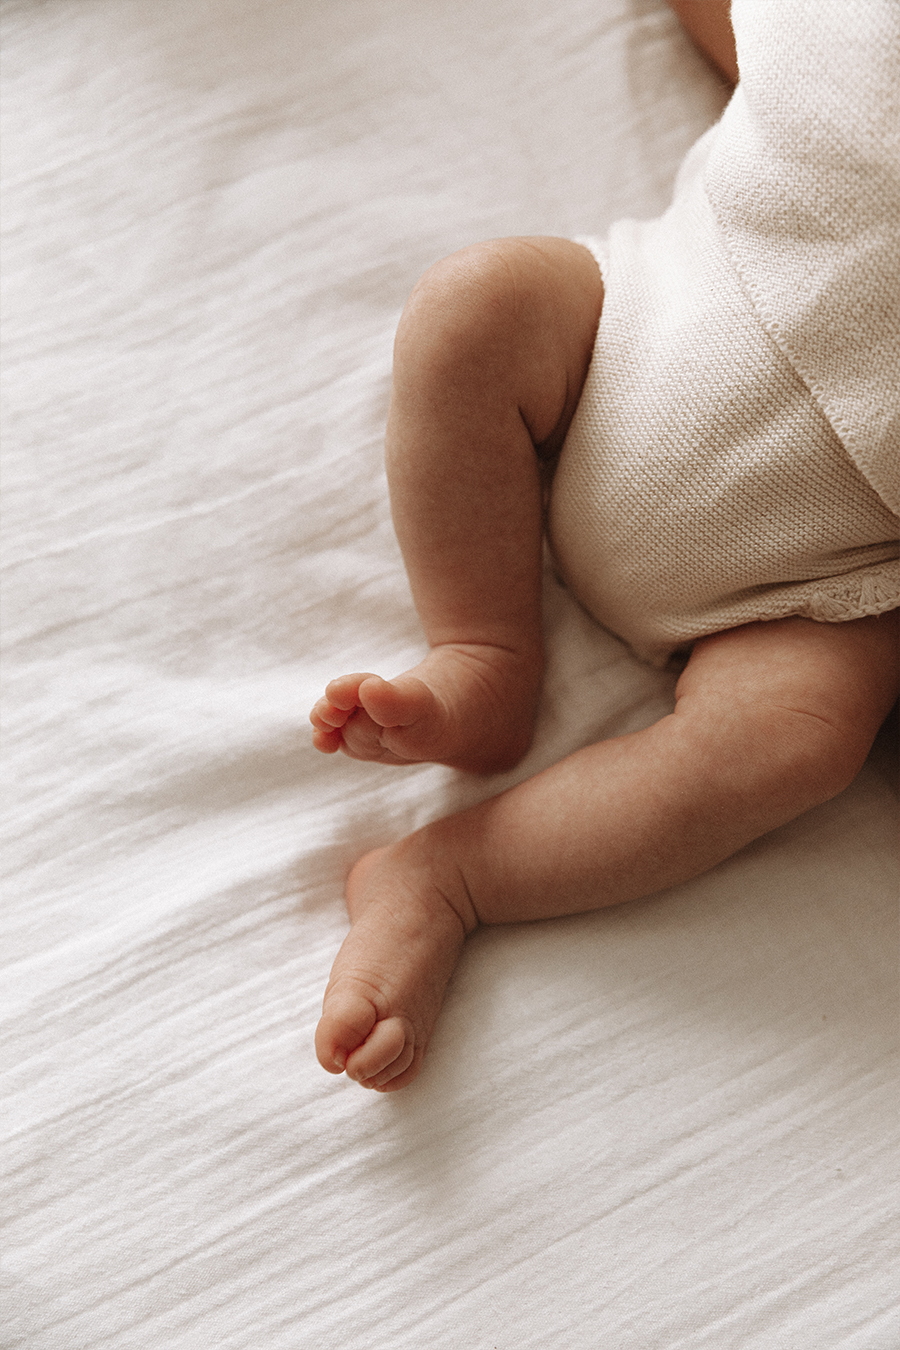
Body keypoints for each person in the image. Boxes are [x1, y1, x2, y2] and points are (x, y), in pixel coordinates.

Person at [309, 0, 900, 1092]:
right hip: (621, 339)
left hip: (808, 588)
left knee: (800, 741)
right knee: (473, 304)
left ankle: (449, 878)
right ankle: (482, 652)